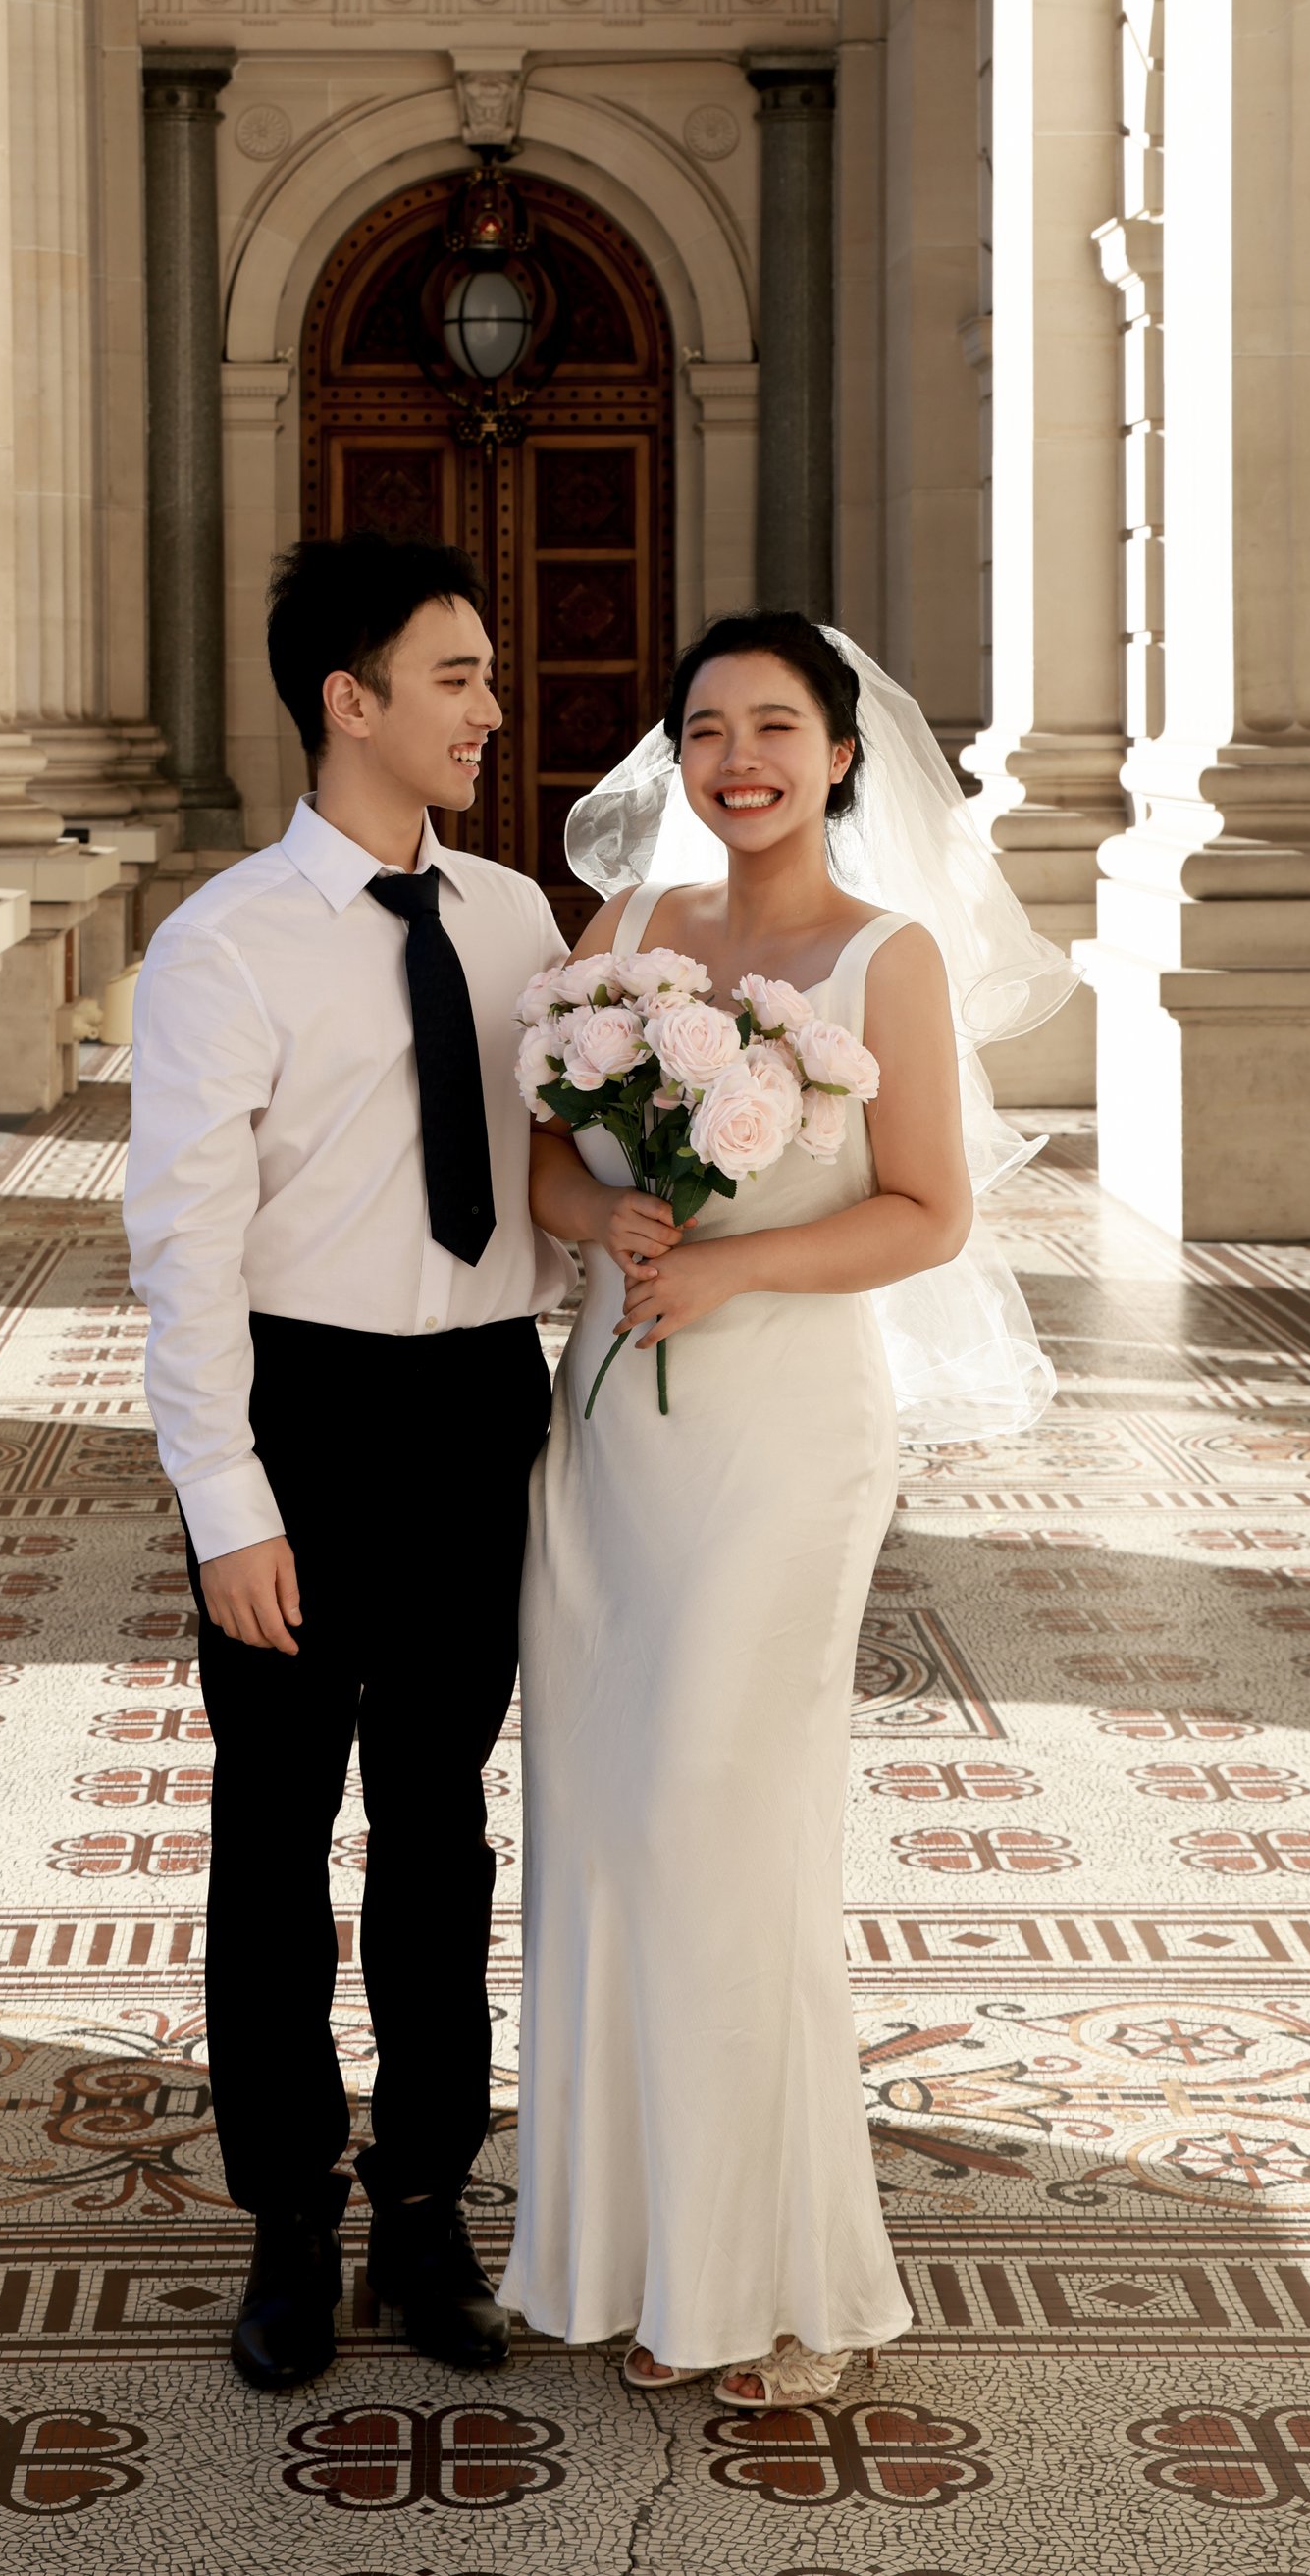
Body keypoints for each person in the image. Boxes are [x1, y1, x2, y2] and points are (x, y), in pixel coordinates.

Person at [500, 609, 1072, 2406]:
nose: (738, 758)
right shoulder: (631, 935)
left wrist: (742, 1277)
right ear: (676, 761)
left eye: (775, 726)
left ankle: (780, 2280)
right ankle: (634, 2259)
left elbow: (929, 1212)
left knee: (715, 1819)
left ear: (841, 754)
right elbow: (536, 1153)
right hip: (612, 1421)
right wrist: (608, 1223)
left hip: (782, 1431)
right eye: (706, 730)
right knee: (598, 1824)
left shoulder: (884, 955)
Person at [125, 534, 569, 2392]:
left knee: (447, 1830)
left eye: (486, 674)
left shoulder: (520, 921)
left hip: (478, 1409)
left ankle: (424, 2207)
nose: (490, 708)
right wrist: (229, 1505)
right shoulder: (224, 945)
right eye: (455, 677)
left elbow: (554, 1170)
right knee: (272, 1836)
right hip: (302, 1419)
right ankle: (291, 2221)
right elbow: (185, 1246)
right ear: (350, 700)